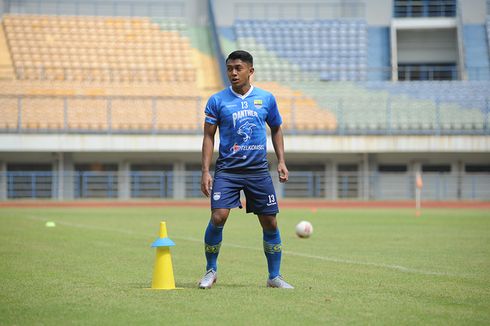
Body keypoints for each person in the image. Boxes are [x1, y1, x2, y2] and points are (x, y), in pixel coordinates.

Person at [199, 50, 293, 289]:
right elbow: (208, 137)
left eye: (238, 68)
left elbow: (276, 128)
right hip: (228, 170)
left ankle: (274, 276)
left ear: (250, 71)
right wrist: (205, 171)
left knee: (270, 222)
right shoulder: (217, 101)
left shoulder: (266, 98)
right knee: (218, 216)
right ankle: (211, 270)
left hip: (258, 171)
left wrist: (281, 160)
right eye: (229, 68)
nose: (233, 73)